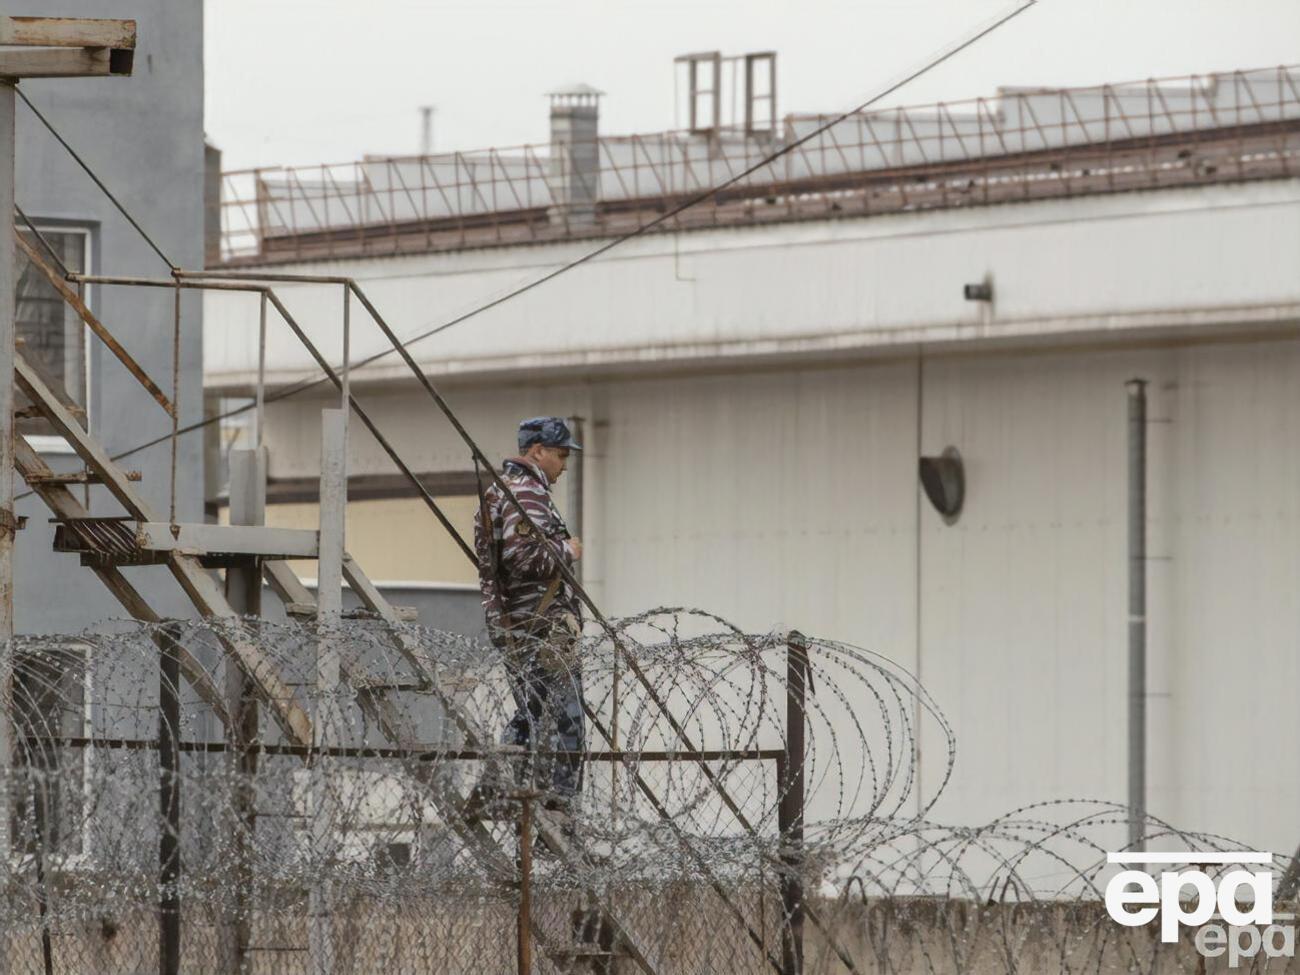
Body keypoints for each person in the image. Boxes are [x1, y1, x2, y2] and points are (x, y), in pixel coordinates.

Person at [473, 416, 585, 807]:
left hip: (516, 622)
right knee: (567, 718)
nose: (565, 464)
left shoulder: (498, 492)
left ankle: (500, 787)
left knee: (534, 710)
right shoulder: (527, 492)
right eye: (560, 454)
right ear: (537, 451)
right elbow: (526, 558)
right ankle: (560, 808)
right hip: (541, 623)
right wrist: (567, 550)